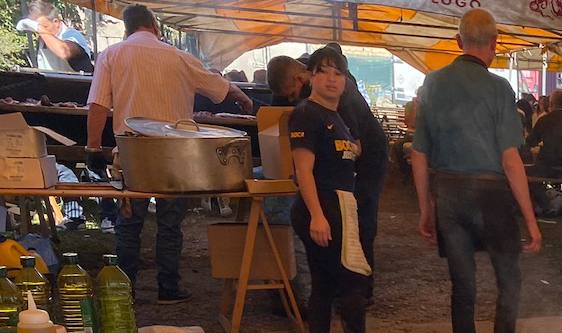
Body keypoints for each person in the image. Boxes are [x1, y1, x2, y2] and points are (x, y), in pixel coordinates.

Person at [412, 9, 541, 333]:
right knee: (509, 281)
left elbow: (419, 155)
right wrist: (531, 222)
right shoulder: (500, 89)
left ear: (458, 42)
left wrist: (426, 208)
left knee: (463, 288)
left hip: (449, 193)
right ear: (494, 45)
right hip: (492, 196)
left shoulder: (432, 84)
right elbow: (510, 160)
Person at [86, 5, 253, 303]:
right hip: (176, 154)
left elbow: (98, 106)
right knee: (170, 224)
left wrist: (93, 147)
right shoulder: (178, 56)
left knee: (129, 222)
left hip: (133, 152)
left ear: (127, 28)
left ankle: (125, 291)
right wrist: (243, 98)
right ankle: (169, 288)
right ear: (153, 24)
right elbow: (218, 85)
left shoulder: (112, 54)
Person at [288, 48, 397, 333]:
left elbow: (345, 151)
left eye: (339, 73)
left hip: (338, 204)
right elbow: (303, 170)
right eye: (324, 72)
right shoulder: (307, 114)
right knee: (353, 280)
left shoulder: (335, 116)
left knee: (324, 282)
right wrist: (317, 215)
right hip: (323, 205)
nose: (332, 79)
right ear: (310, 77)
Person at [268, 51, 388, 300]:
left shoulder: (336, 95)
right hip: (346, 165)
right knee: (340, 223)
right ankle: (341, 287)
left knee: (360, 221)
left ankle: (361, 290)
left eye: (292, 94)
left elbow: (355, 145)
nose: (292, 101)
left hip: (368, 161)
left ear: (302, 78)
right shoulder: (313, 105)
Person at [16, 1, 92, 74]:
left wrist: (39, 27)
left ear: (56, 22)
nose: (39, 31)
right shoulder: (42, 39)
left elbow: (63, 51)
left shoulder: (72, 35)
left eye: (44, 27)